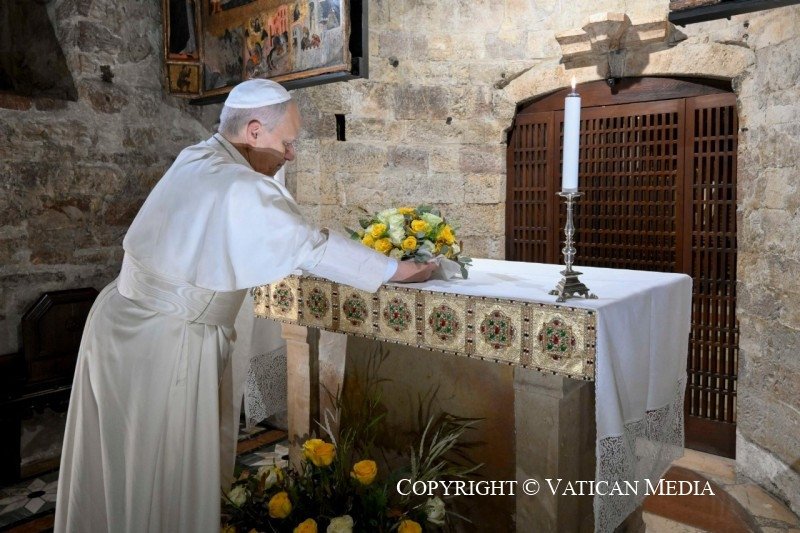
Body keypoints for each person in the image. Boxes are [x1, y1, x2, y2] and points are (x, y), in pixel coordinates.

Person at [54, 79, 436, 533]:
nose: (290, 155)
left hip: (121, 324)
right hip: (164, 344)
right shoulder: (237, 182)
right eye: (287, 143)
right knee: (162, 472)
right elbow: (307, 244)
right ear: (254, 131)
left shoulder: (197, 157)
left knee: (120, 465)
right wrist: (397, 270)